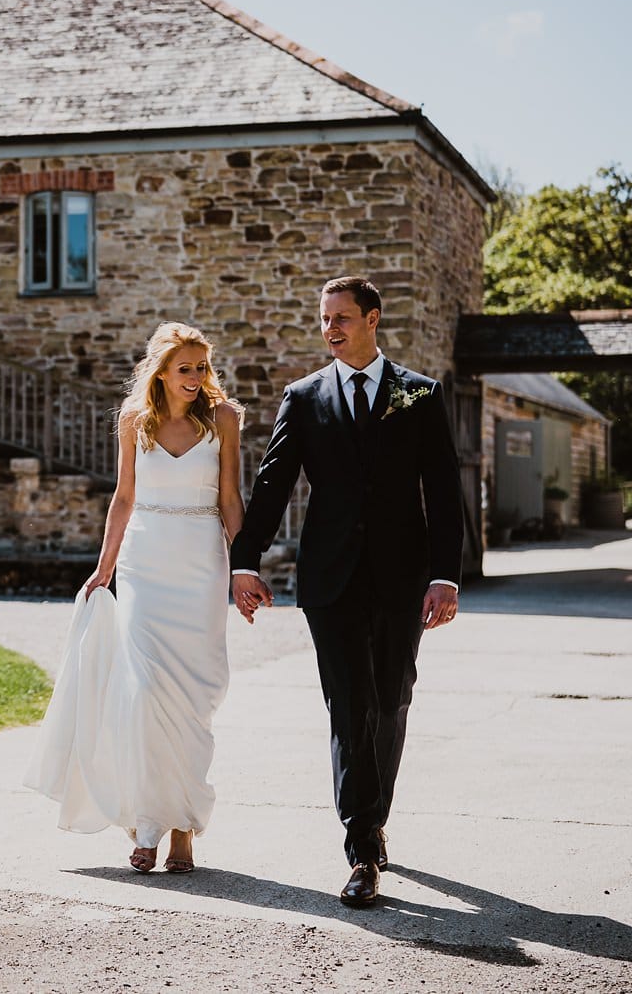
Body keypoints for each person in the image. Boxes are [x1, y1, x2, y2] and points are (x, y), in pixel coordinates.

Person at [229, 276, 464, 907]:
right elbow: (274, 485)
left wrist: (446, 575)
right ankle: (361, 847)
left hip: (401, 577)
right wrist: (244, 560)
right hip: (329, 579)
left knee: (390, 698)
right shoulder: (302, 398)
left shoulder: (419, 395)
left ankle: (375, 814)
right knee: (347, 703)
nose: (331, 328)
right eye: (325, 319)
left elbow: (443, 492)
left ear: (373, 320)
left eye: (342, 318)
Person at [25, 322, 244, 874]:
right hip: (145, 563)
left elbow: (230, 499)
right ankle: (147, 826)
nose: (196, 378)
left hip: (200, 562)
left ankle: (183, 831)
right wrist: (104, 571)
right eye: (185, 368)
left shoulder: (224, 419)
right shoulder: (133, 420)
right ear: (162, 372)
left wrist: (243, 569)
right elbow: (123, 499)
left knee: (193, 700)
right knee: (144, 693)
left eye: (202, 367)